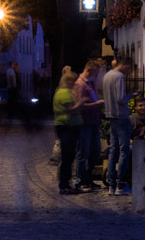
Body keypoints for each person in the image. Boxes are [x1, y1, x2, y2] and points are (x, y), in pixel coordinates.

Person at [101, 57, 133, 195]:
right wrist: (131, 96)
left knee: (113, 150)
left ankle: (111, 185)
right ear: (125, 65)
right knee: (124, 150)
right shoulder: (119, 76)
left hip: (110, 115)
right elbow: (120, 98)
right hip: (121, 115)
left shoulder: (107, 75)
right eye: (129, 68)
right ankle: (121, 184)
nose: (128, 71)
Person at [72, 60, 105, 191]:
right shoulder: (80, 85)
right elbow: (80, 106)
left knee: (95, 151)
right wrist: (97, 104)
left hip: (93, 122)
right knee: (83, 152)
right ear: (89, 70)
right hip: (84, 123)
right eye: (95, 73)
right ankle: (81, 180)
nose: (96, 76)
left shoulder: (89, 83)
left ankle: (88, 178)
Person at [53, 68, 82, 195]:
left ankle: (66, 184)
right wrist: (82, 102)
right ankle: (64, 185)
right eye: (73, 81)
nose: (74, 83)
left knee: (68, 158)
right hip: (67, 127)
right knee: (67, 158)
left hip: (67, 126)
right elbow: (71, 109)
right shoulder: (64, 93)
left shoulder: (63, 92)